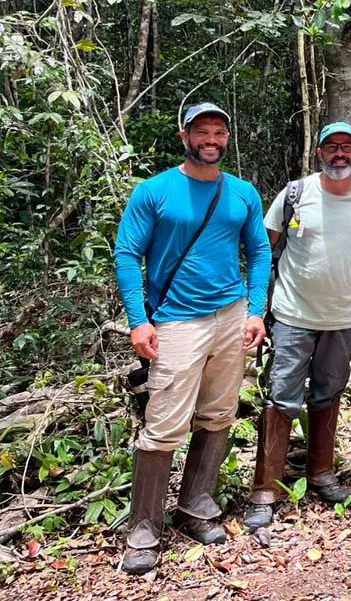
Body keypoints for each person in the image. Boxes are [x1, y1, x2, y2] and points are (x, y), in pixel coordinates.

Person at [113, 103, 270, 574]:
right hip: (177, 321)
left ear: (226, 138)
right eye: (202, 131)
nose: (212, 139)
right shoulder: (155, 191)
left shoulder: (242, 193)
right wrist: (139, 320)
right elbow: (127, 254)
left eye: (219, 132)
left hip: (232, 316)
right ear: (185, 136)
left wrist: (256, 309)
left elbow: (259, 250)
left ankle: (196, 504)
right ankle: (144, 528)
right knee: (163, 423)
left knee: (219, 413)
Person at [243, 122, 351, 530]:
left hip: (344, 317)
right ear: (319, 153)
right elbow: (265, 247)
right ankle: (266, 488)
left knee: (329, 391)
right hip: (293, 314)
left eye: (347, 147)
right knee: (281, 395)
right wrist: (255, 309)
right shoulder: (296, 195)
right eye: (331, 147)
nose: (339, 154)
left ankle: (321, 473)